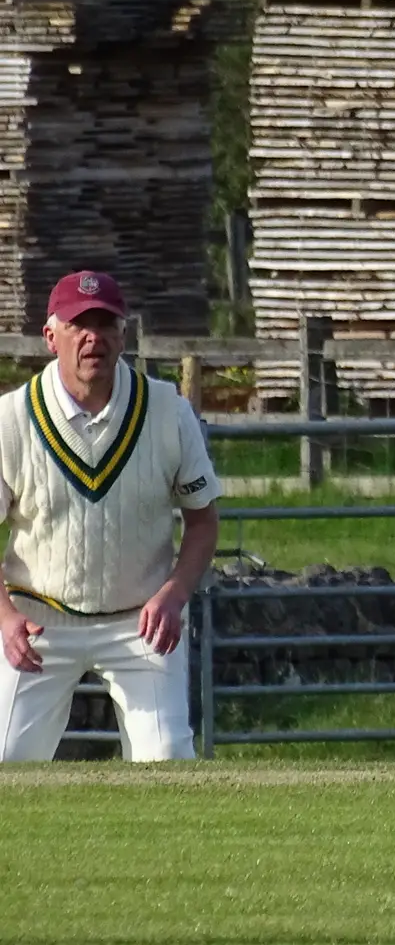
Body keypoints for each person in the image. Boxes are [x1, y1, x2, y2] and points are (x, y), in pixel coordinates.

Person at [0, 271, 220, 760]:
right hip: (38, 624)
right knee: (6, 761)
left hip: (140, 622)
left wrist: (173, 595)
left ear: (124, 334)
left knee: (167, 760)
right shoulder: (10, 419)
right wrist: (6, 617)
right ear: (50, 336)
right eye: (79, 323)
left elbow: (203, 521)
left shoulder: (167, 410)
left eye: (105, 323)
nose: (92, 336)